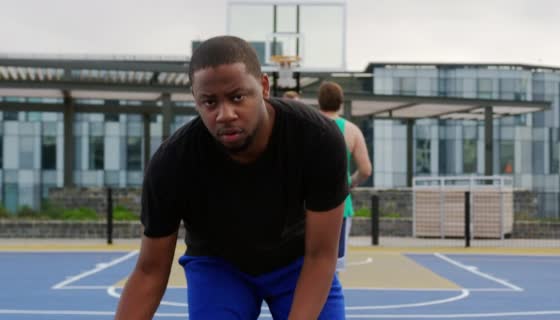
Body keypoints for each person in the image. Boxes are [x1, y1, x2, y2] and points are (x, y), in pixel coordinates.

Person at [115, 36, 348, 320]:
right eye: (209, 102)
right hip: (219, 266)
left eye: (237, 97)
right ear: (195, 99)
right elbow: (150, 271)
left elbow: (322, 256)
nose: (224, 114)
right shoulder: (172, 163)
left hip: (298, 261)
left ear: (263, 86)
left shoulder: (317, 139)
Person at [317, 81, 372, 272]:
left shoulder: (307, 125)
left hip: (306, 203)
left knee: (303, 265)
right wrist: (350, 183)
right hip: (339, 204)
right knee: (333, 267)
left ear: (319, 102)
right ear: (341, 103)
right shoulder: (351, 130)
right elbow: (365, 169)